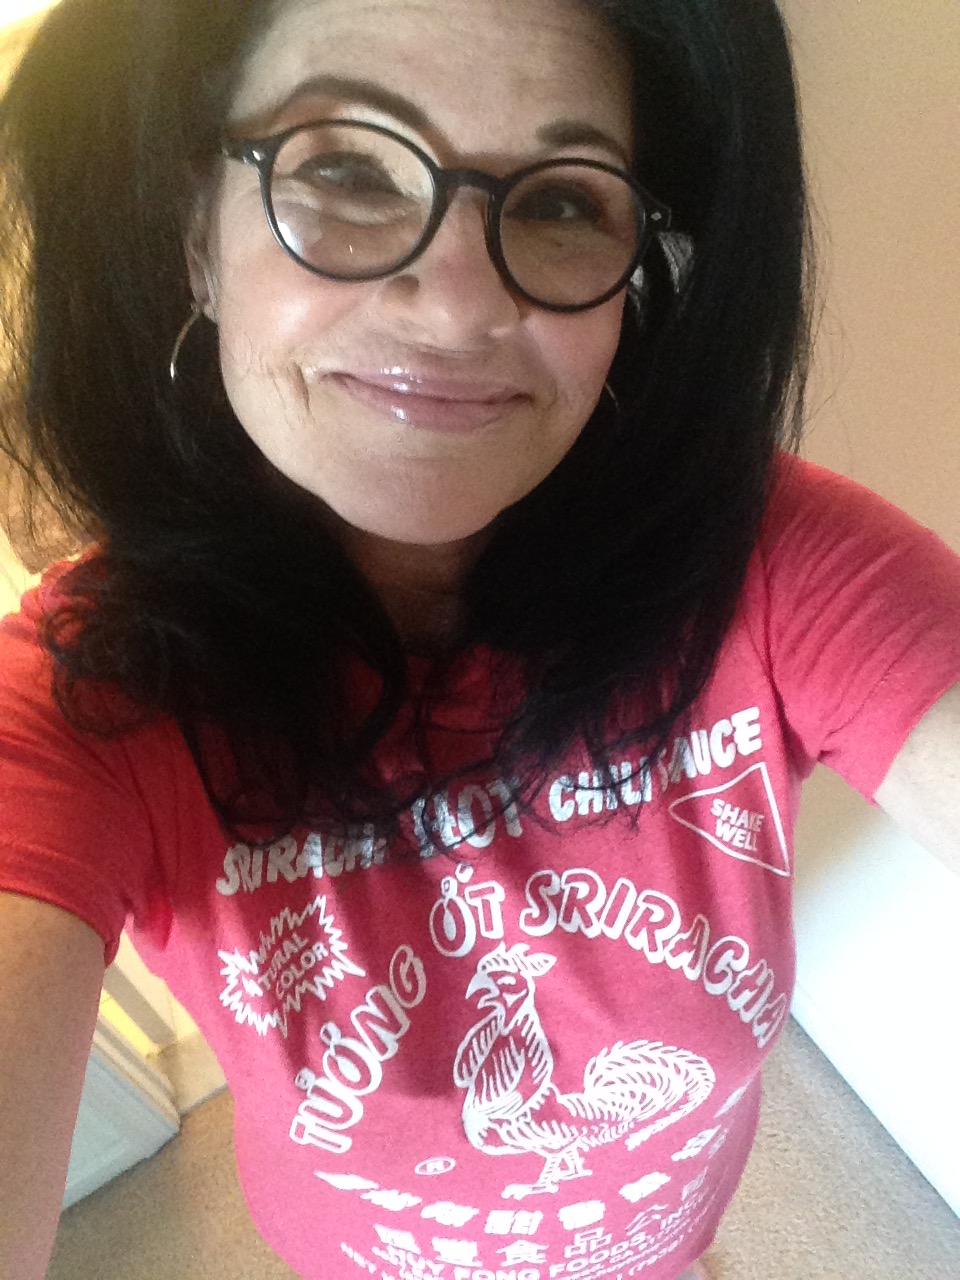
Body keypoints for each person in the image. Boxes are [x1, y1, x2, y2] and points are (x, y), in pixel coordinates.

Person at [0, 1, 957, 1278]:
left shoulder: (774, 561)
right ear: (196, 237)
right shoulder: (90, 696)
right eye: (348, 170)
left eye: (561, 201)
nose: (456, 307)